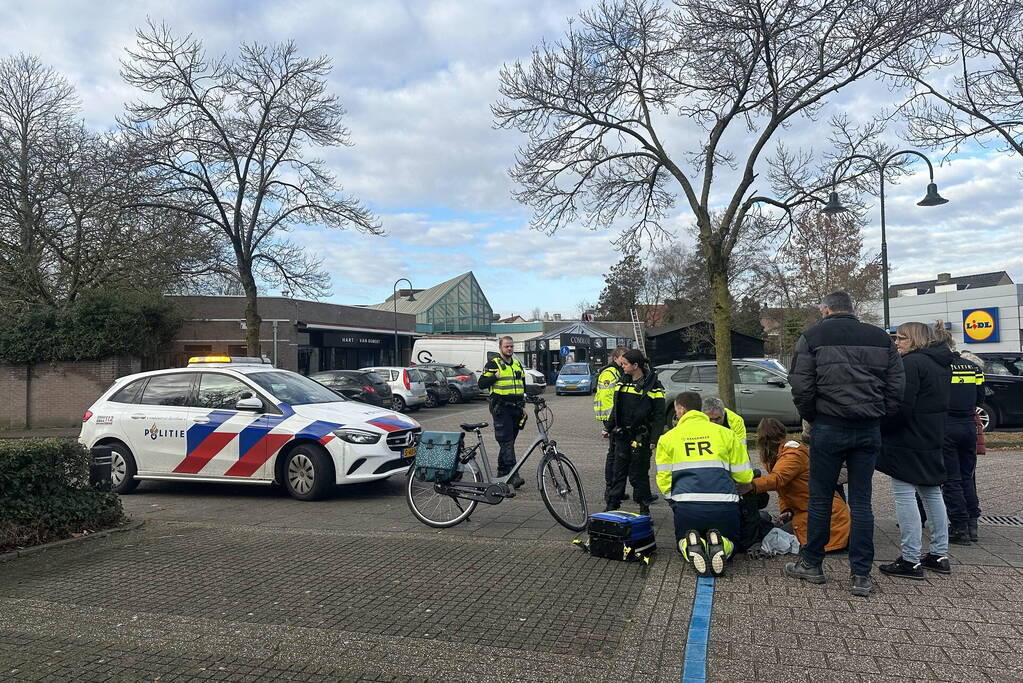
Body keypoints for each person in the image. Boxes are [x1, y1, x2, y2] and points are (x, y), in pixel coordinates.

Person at [786, 291, 905, 598]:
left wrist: (814, 416)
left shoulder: (812, 337)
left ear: (826, 309)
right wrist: (879, 415)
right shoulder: (880, 338)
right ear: (852, 309)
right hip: (867, 427)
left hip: (828, 425)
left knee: (820, 498)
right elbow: (896, 386)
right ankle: (861, 574)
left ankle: (812, 563)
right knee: (862, 502)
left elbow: (800, 385)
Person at [876, 322, 953, 578]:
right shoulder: (941, 363)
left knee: (904, 494)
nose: (896, 342)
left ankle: (910, 559)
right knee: (932, 492)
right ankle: (940, 554)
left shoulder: (911, 364)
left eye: (902, 338)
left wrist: (883, 427)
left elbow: (901, 405)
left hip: (907, 437)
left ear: (916, 339)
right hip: (932, 435)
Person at [656, 392, 753, 576]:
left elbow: (664, 479)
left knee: (680, 541)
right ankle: (723, 544)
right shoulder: (726, 434)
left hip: (687, 507)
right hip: (724, 506)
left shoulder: (667, 438)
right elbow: (744, 476)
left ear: (680, 410)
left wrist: (673, 501)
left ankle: (689, 545)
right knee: (734, 542)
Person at [746, 418, 850, 552]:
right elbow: (783, 488)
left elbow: (778, 479)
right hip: (812, 512)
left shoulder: (792, 454)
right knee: (770, 532)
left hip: (828, 518)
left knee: (771, 536)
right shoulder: (777, 455)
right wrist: (786, 509)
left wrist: (750, 486)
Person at [936, 334, 985, 545]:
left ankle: (959, 527)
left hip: (947, 425)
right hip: (968, 426)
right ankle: (973, 524)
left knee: (951, 479)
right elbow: (981, 398)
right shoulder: (973, 367)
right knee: (967, 476)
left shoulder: (941, 368)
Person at [603, 349, 665, 515]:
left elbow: (659, 416)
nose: (622, 366)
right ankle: (612, 505)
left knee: (639, 474)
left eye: (625, 364)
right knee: (618, 472)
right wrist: (608, 427)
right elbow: (616, 408)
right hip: (622, 435)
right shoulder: (622, 383)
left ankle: (644, 508)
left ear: (635, 365)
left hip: (641, 437)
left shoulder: (653, 386)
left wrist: (654, 439)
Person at [477, 335, 526, 488]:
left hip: (516, 408)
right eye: (506, 346)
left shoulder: (517, 364)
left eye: (511, 346)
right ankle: (513, 474)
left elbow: (522, 384)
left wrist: (523, 406)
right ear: (500, 348)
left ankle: (501, 472)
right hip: (501, 408)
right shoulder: (493, 364)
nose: (509, 349)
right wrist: (494, 377)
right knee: (507, 441)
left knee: (508, 442)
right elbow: (481, 383)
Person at [594, 346, 628, 503]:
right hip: (611, 418)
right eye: (623, 357)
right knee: (613, 454)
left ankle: (616, 489)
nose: (625, 360)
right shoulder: (609, 373)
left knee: (617, 453)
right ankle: (610, 490)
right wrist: (611, 421)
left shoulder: (618, 371)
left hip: (614, 418)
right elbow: (608, 398)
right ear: (615, 358)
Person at [702, 396, 748, 460]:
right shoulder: (697, 419)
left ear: (724, 413)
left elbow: (741, 447)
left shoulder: (736, 420)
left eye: (717, 419)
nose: (714, 423)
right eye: (710, 419)